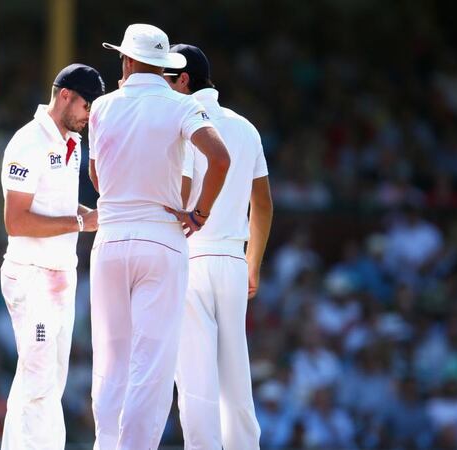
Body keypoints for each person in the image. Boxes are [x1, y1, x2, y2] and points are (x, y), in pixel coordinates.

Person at [87, 24, 231, 449]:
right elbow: (219, 158)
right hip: (161, 238)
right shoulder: (180, 105)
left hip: (111, 237)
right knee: (151, 365)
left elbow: (97, 176)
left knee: (110, 360)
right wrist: (200, 212)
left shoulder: (101, 106)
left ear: (127, 61)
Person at [164, 43, 273, 450]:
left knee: (195, 384)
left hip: (190, 255)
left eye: (165, 80)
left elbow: (184, 192)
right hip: (231, 261)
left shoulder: (180, 121)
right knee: (236, 381)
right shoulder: (246, 127)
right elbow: (261, 202)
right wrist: (253, 263)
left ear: (183, 80)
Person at [0, 63, 104, 449]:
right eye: (86, 104)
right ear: (65, 95)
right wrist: (81, 223)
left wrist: (85, 215)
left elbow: (55, 204)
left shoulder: (72, 143)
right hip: (31, 274)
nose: (89, 114)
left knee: (47, 379)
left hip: (61, 272)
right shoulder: (28, 142)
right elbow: (16, 220)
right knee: (39, 380)